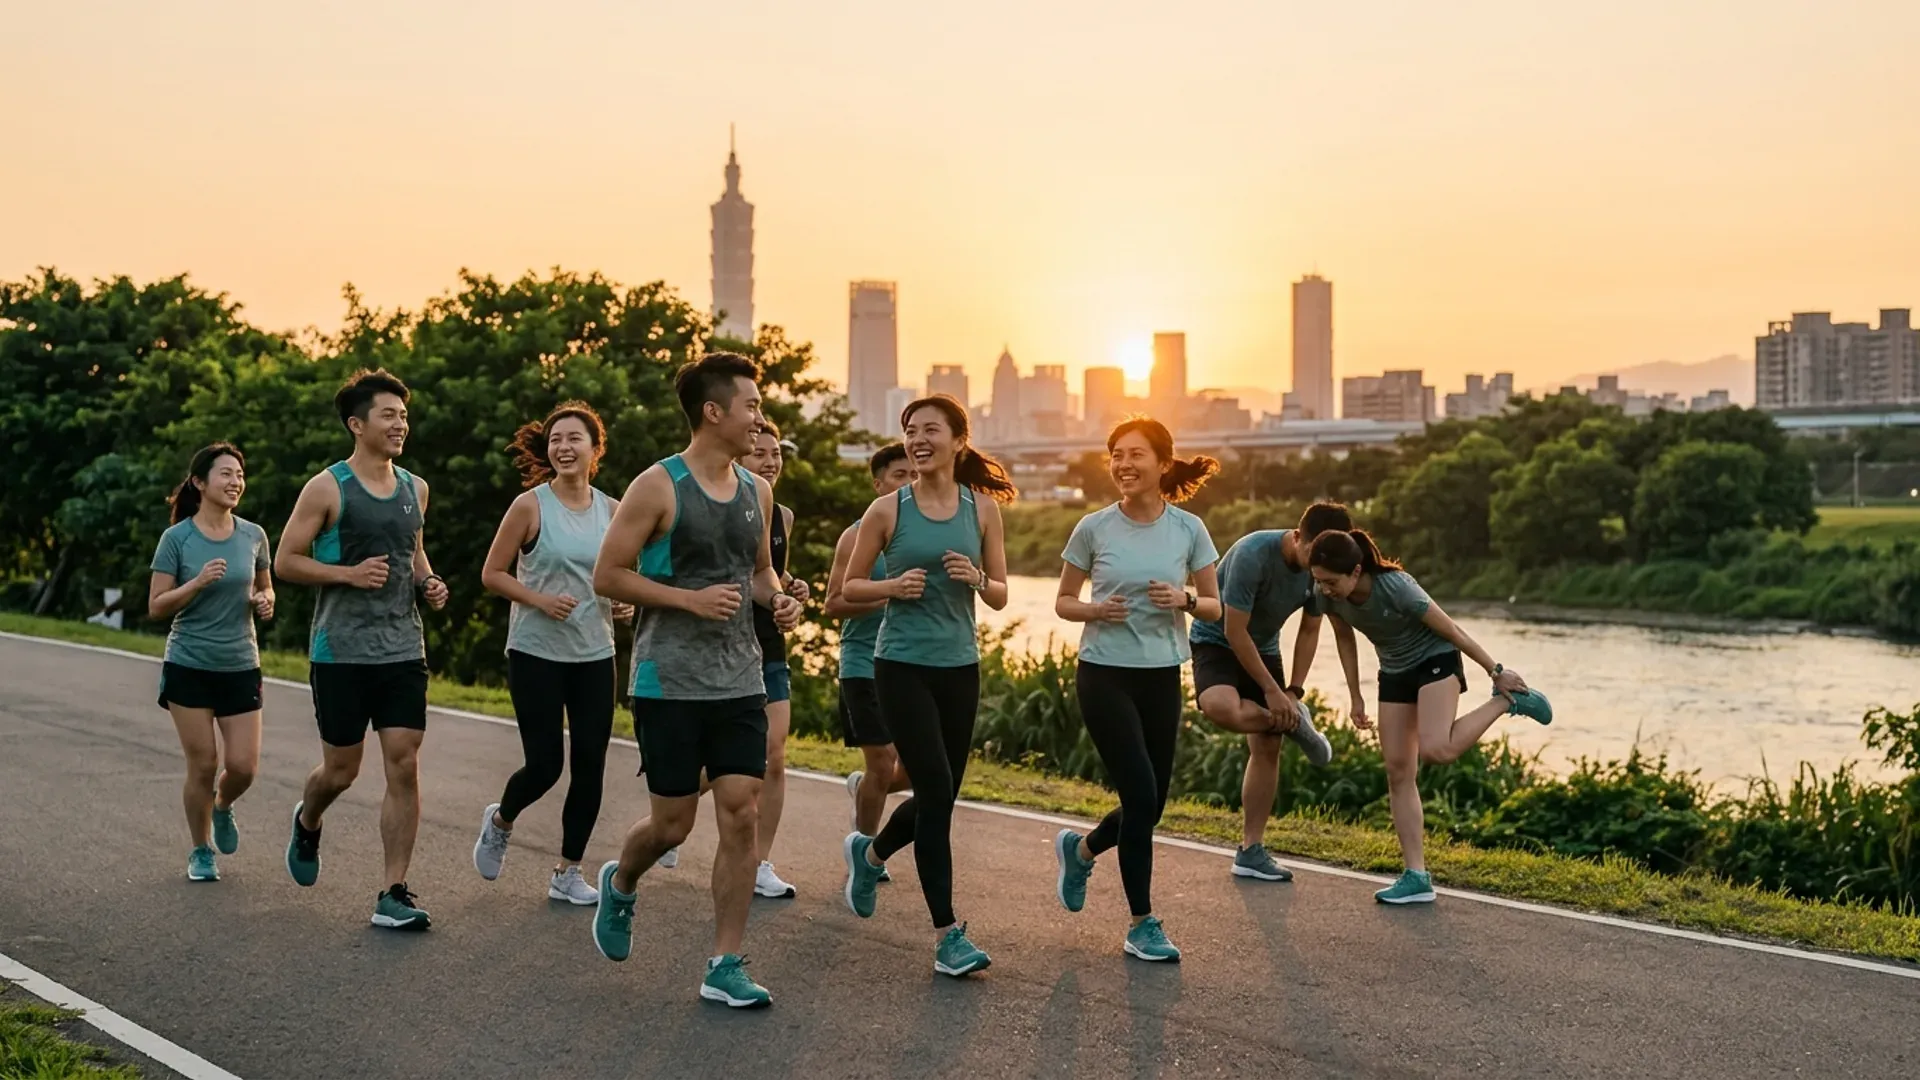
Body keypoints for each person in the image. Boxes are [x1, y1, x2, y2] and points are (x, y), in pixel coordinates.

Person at [588, 352, 800, 1009]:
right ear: (715, 412)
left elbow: (759, 572)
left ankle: (725, 962)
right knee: (673, 825)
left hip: (739, 678)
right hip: (668, 680)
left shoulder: (757, 492)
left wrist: (779, 599)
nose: (760, 418)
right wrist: (688, 600)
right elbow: (609, 576)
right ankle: (621, 882)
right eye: (752, 407)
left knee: (740, 811)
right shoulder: (658, 486)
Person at [840, 394, 1013, 979]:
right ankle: (947, 935)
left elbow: (1000, 595)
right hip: (901, 666)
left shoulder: (983, 510)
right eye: (910, 430)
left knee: (941, 795)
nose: (917, 439)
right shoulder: (887, 512)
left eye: (929, 430)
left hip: (960, 667)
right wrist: (891, 589)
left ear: (958, 441)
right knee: (936, 791)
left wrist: (978, 576)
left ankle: (870, 853)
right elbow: (848, 590)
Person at [275, 369, 449, 931]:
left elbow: (413, 550)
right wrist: (348, 574)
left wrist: (428, 582)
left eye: (403, 414)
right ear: (357, 424)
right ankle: (308, 818)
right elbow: (286, 561)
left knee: (404, 761)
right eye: (388, 415)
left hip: (401, 645)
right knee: (341, 770)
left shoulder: (414, 488)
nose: (401, 423)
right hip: (341, 650)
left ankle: (393, 891)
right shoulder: (328, 487)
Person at [1050, 418, 1221, 962]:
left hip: (1162, 675)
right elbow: (1063, 601)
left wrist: (1186, 600)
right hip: (1104, 672)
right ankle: (1142, 923)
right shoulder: (1093, 528)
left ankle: (1081, 850)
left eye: (1135, 455)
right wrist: (1096, 609)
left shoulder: (1189, 529)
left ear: (1163, 464)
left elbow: (1217, 606)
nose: (1124, 465)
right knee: (1141, 797)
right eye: (1116, 455)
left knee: (1152, 805)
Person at [1308, 529, 1553, 904]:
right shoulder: (1327, 597)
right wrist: (1355, 694)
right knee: (1398, 771)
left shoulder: (1397, 587)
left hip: (1435, 661)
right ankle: (1416, 875)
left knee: (1437, 749)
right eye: (1318, 581)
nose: (1324, 589)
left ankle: (1508, 701)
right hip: (1393, 672)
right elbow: (1344, 638)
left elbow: (1453, 630)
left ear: (1356, 571)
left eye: (1331, 581)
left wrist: (1496, 670)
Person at [471, 402, 632, 904]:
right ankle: (501, 820)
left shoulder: (614, 509)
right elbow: (492, 573)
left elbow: (622, 574)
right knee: (545, 766)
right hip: (536, 651)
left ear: (594, 448)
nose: (564, 447)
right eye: (556, 439)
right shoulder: (530, 506)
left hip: (594, 653)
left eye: (574, 439)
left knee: (590, 765)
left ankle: (568, 871)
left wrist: (624, 601)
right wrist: (539, 600)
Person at [1187, 502, 1353, 883]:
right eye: (1312, 553)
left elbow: (1310, 630)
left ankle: (1251, 851)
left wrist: (1292, 691)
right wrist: (1272, 695)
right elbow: (1234, 631)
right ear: (1298, 537)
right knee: (1218, 707)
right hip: (1218, 640)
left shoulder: (1322, 566)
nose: (1317, 564)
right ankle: (1293, 725)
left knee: (1266, 746)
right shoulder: (1252, 555)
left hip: (1265, 648)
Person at [147, 443, 274, 883]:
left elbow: (265, 587)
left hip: (240, 661)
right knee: (202, 764)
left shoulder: (253, 535)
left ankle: (222, 806)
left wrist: (264, 601)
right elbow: (157, 606)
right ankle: (200, 850)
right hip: (189, 663)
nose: (235, 481)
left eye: (239, 474)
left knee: (243, 767)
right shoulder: (177, 539)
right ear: (200, 483)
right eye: (225, 474)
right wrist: (197, 583)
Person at [823, 444, 915, 846]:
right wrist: (890, 593)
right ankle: (864, 848)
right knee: (882, 763)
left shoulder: (924, 537)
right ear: (878, 484)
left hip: (911, 664)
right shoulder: (856, 536)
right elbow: (834, 604)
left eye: (915, 474)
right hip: (863, 664)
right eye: (899, 475)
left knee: (914, 771)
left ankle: (865, 791)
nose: (910, 483)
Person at [735, 419, 809, 899]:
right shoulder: (722, 508)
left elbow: (770, 574)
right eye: (759, 453)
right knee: (727, 762)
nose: (770, 460)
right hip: (725, 644)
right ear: (739, 458)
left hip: (770, 645)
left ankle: (759, 863)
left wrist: (790, 590)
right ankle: (668, 813)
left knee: (774, 757)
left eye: (775, 453)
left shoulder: (781, 515)